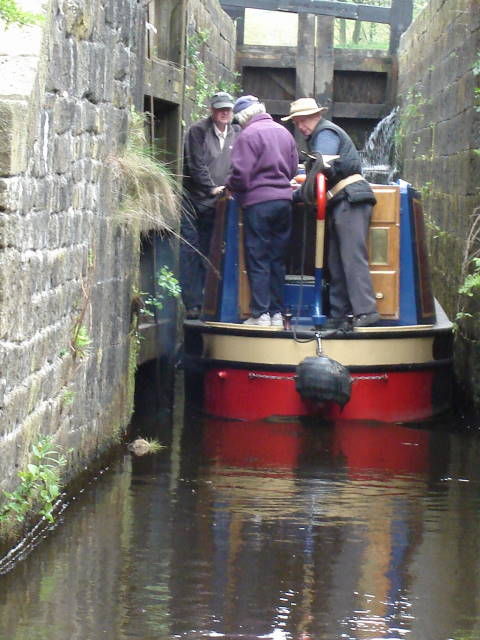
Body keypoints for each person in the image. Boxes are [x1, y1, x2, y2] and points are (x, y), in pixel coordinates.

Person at [282, 97, 380, 328]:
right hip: (341, 201)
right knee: (336, 261)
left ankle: (366, 312)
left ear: (317, 116)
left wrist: (292, 195)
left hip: (350, 200)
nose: (301, 125)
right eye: (297, 122)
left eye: (304, 119)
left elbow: (321, 167)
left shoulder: (325, 134)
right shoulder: (321, 134)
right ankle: (339, 315)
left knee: (352, 257)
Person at [226, 95, 299, 327]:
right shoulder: (284, 133)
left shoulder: (248, 135)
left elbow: (241, 175)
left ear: (244, 117)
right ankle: (277, 313)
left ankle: (260, 314)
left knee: (258, 258)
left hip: (258, 204)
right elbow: (292, 169)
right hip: (284, 203)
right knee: (277, 259)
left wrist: (230, 187)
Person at [180, 91, 240, 319]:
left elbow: (238, 165)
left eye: (228, 109)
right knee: (190, 251)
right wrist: (211, 188)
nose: (225, 113)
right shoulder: (198, 131)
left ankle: (211, 304)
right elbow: (196, 165)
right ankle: (193, 305)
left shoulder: (237, 132)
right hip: (194, 200)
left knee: (214, 251)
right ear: (212, 110)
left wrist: (228, 188)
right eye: (220, 109)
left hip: (220, 203)